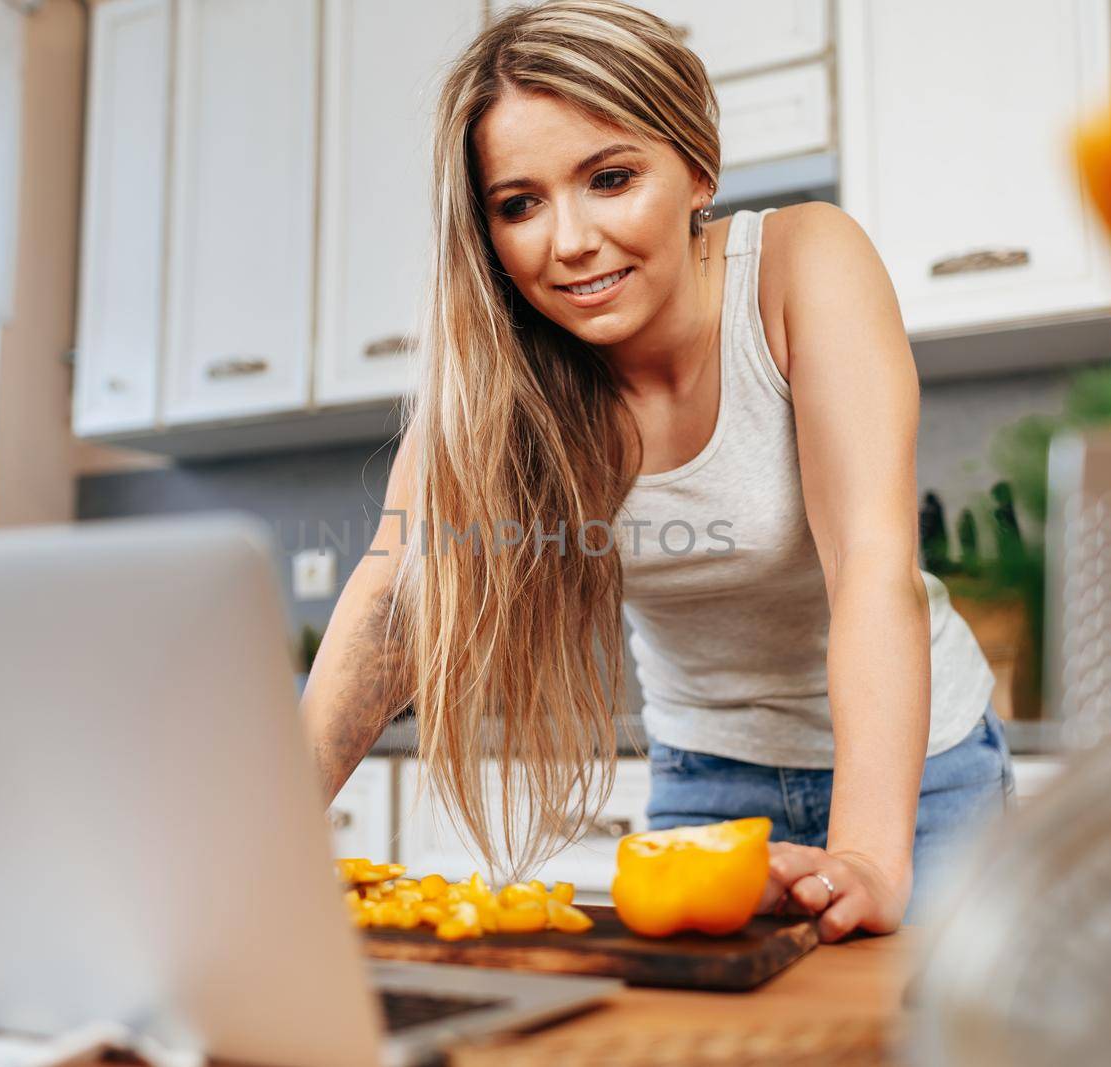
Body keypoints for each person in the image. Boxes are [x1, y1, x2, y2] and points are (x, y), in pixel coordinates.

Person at [302, 0, 1012, 941]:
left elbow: (872, 571)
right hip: (704, 784)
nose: (569, 240)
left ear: (696, 169)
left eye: (610, 177)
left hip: (921, 775)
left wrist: (870, 857)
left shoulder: (805, 267)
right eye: (520, 203)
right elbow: (399, 599)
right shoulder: (497, 373)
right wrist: (255, 837)